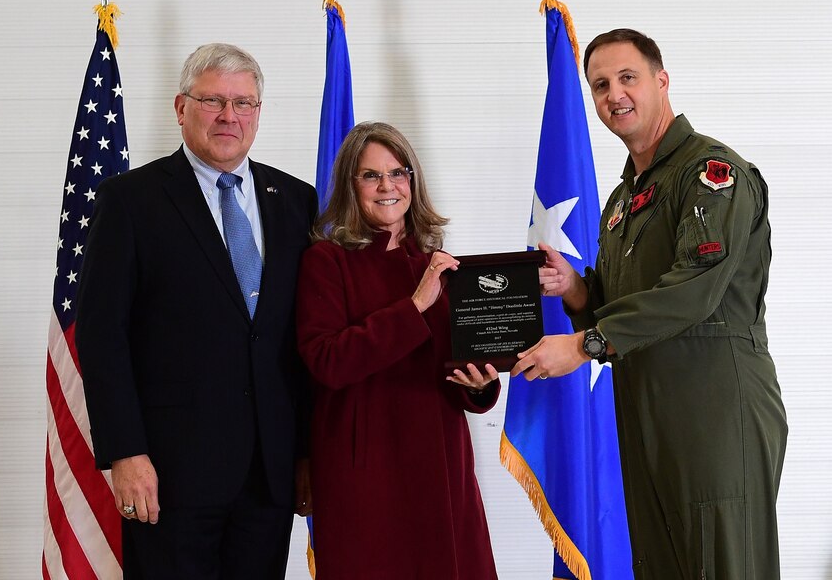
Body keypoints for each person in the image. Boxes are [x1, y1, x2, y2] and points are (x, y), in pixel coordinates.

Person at [512, 29, 787, 578]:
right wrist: (576, 290)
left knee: (720, 564)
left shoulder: (711, 173)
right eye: (600, 85)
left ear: (662, 82)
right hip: (644, 406)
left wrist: (585, 343)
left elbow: (694, 287)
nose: (614, 94)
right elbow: (623, 301)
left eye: (627, 77)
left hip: (711, 406)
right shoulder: (625, 198)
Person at [76, 43, 317, 578]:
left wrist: (303, 452)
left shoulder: (297, 201)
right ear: (180, 108)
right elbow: (101, 335)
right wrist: (125, 453)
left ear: (259, 112)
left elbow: (302, 338)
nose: (230, 116)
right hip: (169, 474)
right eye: (214, 101)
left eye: (245, 103)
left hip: (270, 475)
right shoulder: (130, 200)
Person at [296, 121, 499, 579]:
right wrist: (414, 306)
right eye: (370, 175)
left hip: (441, 463)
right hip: (366, 469)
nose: (387, 186)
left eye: (398, 172)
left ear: (414, 181)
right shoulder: (325, 261)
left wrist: (481, 386)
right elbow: (327, 361)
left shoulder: (439, 265)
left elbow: (456, 366)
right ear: (351, 186)